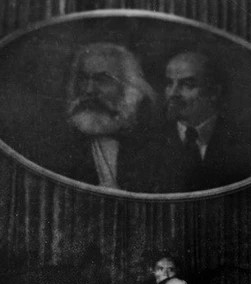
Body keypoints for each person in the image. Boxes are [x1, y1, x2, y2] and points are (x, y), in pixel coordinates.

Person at [43, 43, 167, 192]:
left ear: (129, 89)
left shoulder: (153, 146)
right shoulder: (57, 146)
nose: (89, 90)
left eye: (102, 80)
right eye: (83, 79)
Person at [162, 51, 251, 191]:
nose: (172, 93)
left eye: (187, 84)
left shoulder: (247, 142)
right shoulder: (148, 143)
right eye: (169, 84)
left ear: (214, 92)